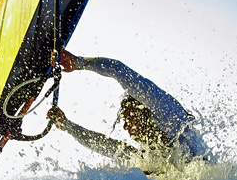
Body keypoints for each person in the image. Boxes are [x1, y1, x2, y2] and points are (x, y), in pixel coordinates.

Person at [47, 50, 209, 171]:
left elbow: (118, 70)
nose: (125, 127)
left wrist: (78, 62)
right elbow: (104, 145)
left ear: (142, 110)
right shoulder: (147, 154)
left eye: (128, 118)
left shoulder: (171, 117)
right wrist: (67, 125)